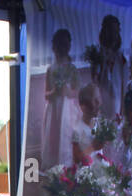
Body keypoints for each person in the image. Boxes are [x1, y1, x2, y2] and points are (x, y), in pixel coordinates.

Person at [40, 29, 79, 169]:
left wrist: (68, 91)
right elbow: (46, 94)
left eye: (65, 45)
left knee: (67, 136)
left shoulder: (73, 69)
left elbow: (77, 92)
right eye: (59, 45)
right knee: (53, 137)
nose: (62, 48)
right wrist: (54, 92)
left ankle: (66, 164)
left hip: (68, 110)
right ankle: (53, 165)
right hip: (54, 108)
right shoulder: (51, 69)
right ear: (54, 47)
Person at [70, 84, 102, 166]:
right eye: (95, 100)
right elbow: (76, 159)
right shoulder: (77, 129)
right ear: (83, 107)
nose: (99, 103)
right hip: (86, 172)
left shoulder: (98, 123)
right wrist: (93, 147)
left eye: (99, 98)